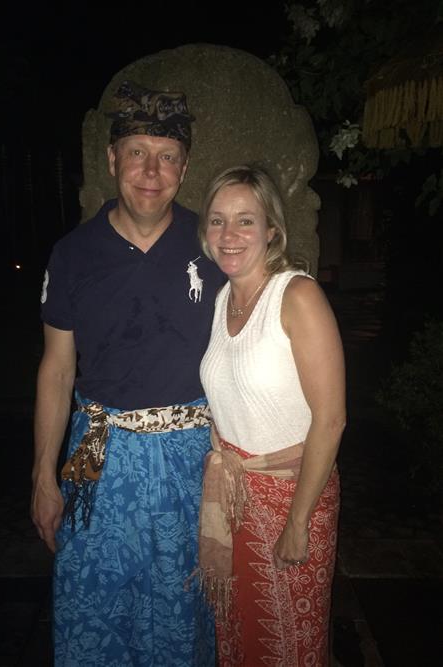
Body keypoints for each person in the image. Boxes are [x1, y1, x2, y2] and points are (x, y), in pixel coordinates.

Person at [31, 80, 224, 666]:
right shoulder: (73, 254)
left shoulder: (214, 247)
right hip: (98, 459)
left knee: (184, 608)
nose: (151, 171)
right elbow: (57, 370)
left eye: (167, 156)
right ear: (112, 159)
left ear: (184, 169)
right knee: (93, 605)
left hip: (192, 465)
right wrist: (42, 477)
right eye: (137, 152)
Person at [197, 165, 346, 666]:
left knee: (290, 643)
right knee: (240, 633)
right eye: (217, 220)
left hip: (293, 496)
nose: (229, 234)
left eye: (245, 220)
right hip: (235, 496)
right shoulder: (222, 299)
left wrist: (298, 521)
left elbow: (331, 419)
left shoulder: (297, 296)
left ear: (272, 230)